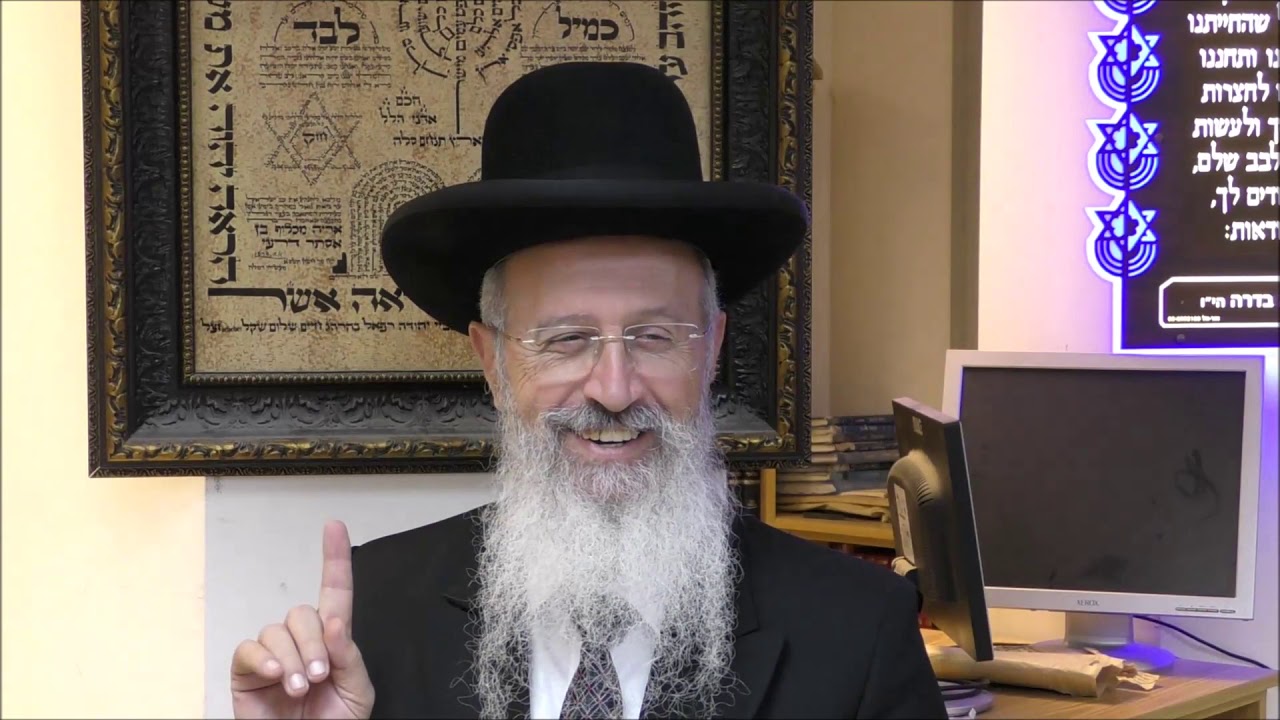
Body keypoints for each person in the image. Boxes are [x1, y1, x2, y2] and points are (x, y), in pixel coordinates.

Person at [229, 61, 946, 720]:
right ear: (493, 362)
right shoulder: (379, 608)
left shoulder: (859, 629)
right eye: (565, 339)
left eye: (655, 336)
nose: (613, 388)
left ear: (712, 350)